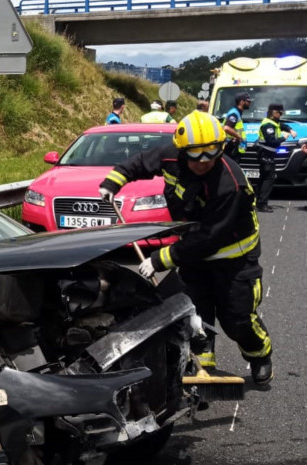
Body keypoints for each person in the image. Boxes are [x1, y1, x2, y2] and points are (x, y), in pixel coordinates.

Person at [98, 111, 273, 386]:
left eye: (212, 152)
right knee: (195, 316)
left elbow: (211, 237)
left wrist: (161, 259)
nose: (204, 161)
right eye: (196, 154)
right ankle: (202, 370)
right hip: (194, 255)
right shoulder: (171, 156)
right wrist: (114, 180)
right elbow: (141, 162)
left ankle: (260, 356)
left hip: (233, 258)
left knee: (236, 318)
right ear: (182, 150)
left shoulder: (230, 184)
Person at [253, 102, 298, 212]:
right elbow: (272, 141)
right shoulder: (268, 125)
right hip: (266, 155)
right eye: (280, 113)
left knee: (264, 178)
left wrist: (290, 129)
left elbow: (281, 124)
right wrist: (284, 137)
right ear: (274, 112)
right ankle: (262, 204)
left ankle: (258, 201)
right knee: (269, 179)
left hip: (267, 154)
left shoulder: (273, 122)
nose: (281, 115)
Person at [222, 91, 252, 160]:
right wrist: (239, 137)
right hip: (229, 147)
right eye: (248, 101)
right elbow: (227, 128)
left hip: (232, 147)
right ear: (242, 102)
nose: (249, 103)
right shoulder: (234, 113)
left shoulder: (238, 112)